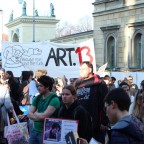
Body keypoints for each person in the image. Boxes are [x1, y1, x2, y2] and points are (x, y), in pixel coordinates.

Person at [74, 61, 108, 143]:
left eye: (83, 69)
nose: (81, 71)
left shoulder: (99, 83)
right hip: (80, 122)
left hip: (95, 124)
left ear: (90, 70)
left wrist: (104, 121)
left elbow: (105, 102)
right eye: (80, 69)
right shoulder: (77, 83)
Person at [28, 75, 60, 144]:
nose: (38, 88)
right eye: (38, 86)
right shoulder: (37, 98)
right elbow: (29, 114)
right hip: (34, 130)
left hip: (45, 132)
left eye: (41, 86)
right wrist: (39, 116)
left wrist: (35, 114)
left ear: (47, 87)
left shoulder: (54, 99)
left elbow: (44, 116)